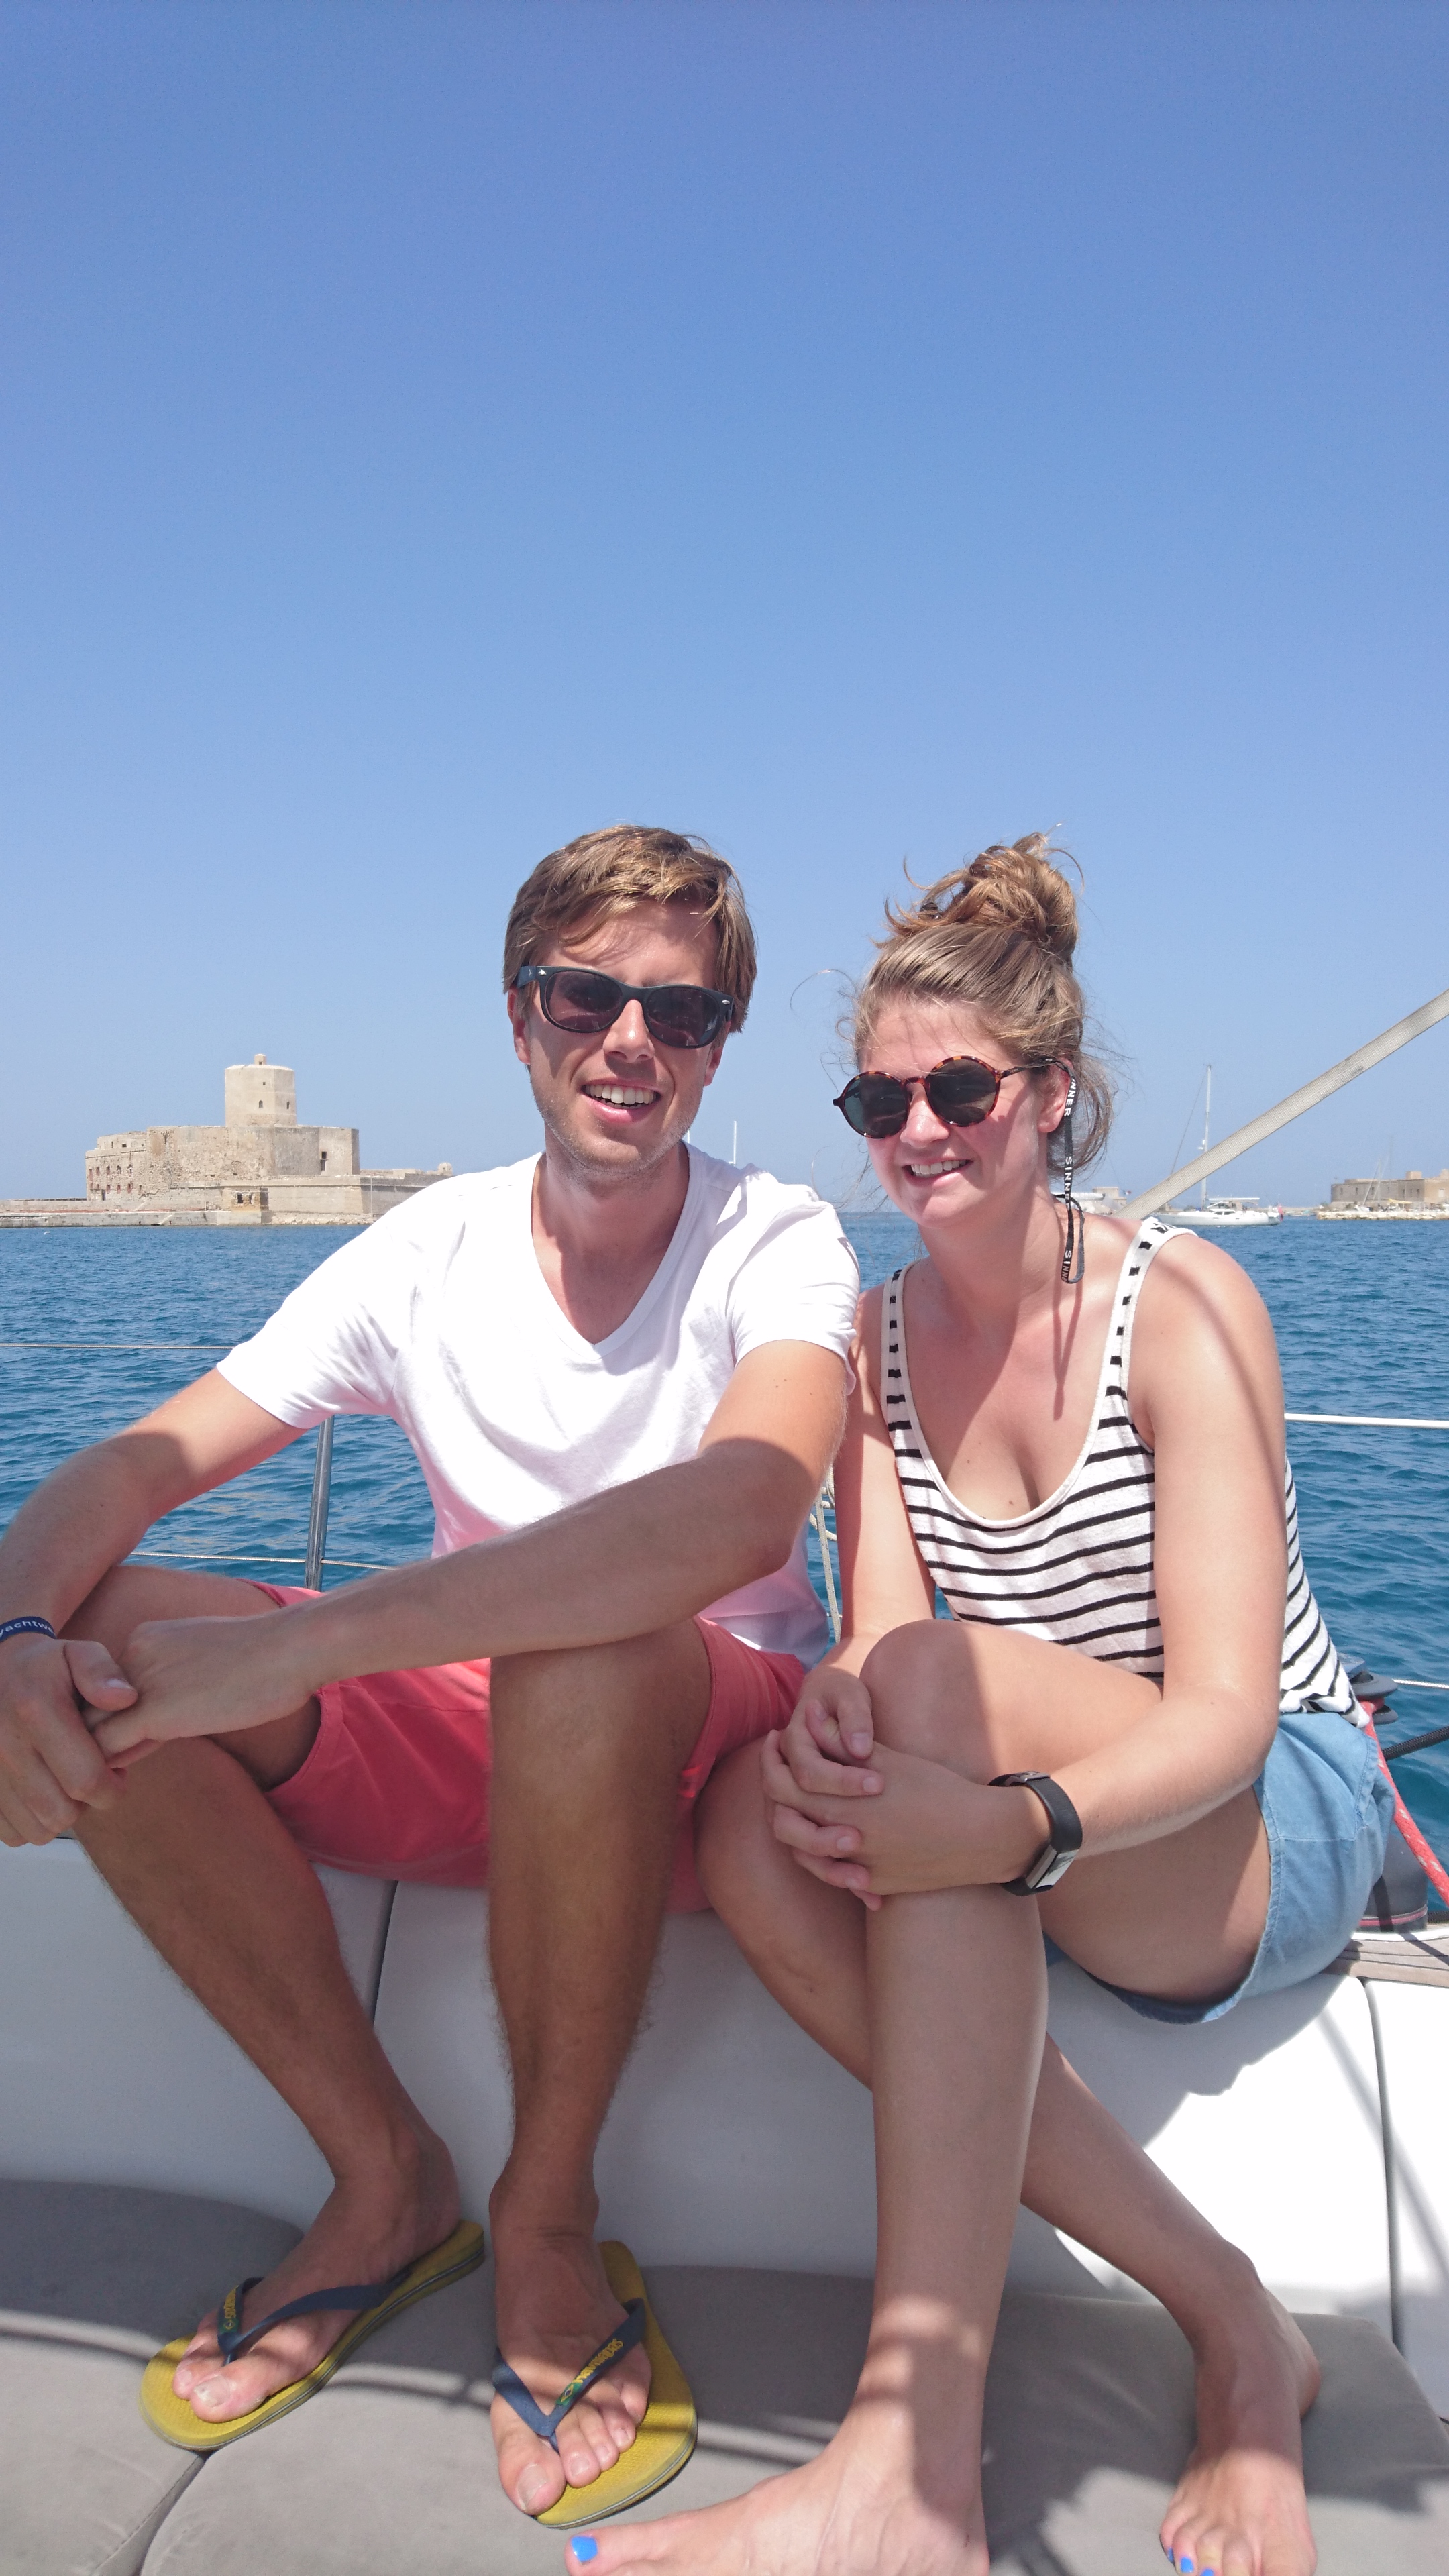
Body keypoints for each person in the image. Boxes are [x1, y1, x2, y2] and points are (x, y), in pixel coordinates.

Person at [0, 826, 859, 2523]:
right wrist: (16, 1641)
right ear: (521, 1014)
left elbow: (748, 1503)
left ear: (720, 1048)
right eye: (586, 996)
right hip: (489, 1736)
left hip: (705, 1758)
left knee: (580, 1655)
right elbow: (138, 1464)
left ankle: (547, 2213)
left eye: (682, 1012)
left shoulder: (777, 1235)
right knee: (108, 1642)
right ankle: (383, 2174)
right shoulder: (428, 1249)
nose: (630, 1039)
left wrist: (300, 1643)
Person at [568, 837, 1391, 2576]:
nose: (920, 1133)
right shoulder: (871, 1351)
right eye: (882, 1102)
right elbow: (877, 1645)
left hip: (1262, 1821)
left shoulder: (1182, 1308)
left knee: (928, 1699)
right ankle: (1229, 2309)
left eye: (961, 1091)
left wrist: (1013, 1830)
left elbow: (1230, 1714)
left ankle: (910, 2468)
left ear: (1052, 1094)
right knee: (754, 1819)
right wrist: (842, 1728)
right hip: (1052, 1813)